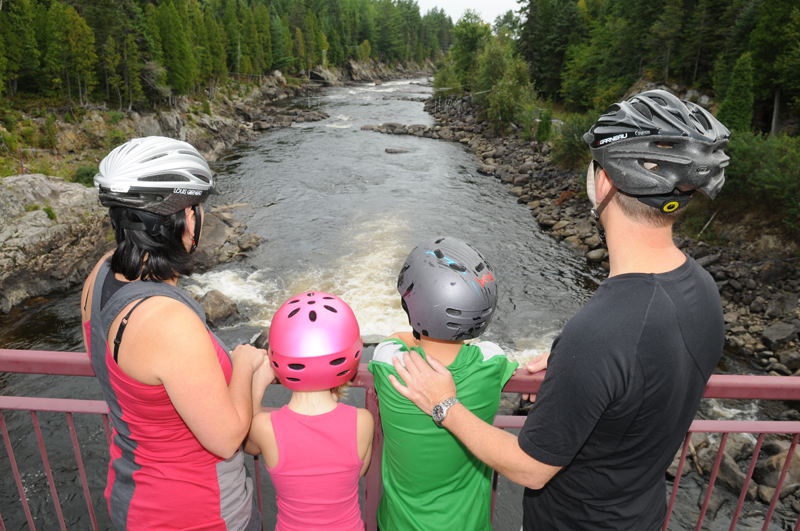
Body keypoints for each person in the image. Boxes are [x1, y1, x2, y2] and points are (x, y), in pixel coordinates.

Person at [387, 90, 730, 530]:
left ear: (604, 181)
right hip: (641, 515)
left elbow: (529, 467)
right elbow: (647, 372)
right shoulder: (701, 288)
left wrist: (444, 405)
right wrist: (578, 370)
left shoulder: (601, 334)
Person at [80, 136, 266, 531]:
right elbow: (228, 438)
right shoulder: (166, 320)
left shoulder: (98, 276)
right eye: (199, 209)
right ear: (183, 219)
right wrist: (246, 365)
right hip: (196, 513)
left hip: (133, 492)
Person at [368, 237, 518, 531]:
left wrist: (414, 336)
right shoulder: (492, 363)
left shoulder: (390, 364)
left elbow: (394, 340)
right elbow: (491, 351)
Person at [245, 291, 374, 531]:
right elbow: (356, 474)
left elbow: (249, 444)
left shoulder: (266, 427)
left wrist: (257, 386)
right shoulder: (362, 421)